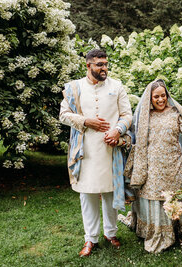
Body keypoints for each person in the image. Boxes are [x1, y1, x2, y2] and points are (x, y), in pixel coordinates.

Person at [122, 79, 182, 253]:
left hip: (174, 164)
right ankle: (156, 233)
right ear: (150, 99)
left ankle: (177, 230)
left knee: (174, 196)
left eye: (163, 95)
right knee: (155, 196)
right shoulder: (145, 116)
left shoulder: (175, 113)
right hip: (151, 165)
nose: (160, 100)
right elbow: (133, 136)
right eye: (156, 97)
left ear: (167, 96)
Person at [59, 49, 132, 257]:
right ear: (88, 66)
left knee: (111, 191)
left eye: (106, 64)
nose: (104, 68)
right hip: (85, 150)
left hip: (110, 149)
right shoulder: (75, 87)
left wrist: (117, 131)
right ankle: (90, 239)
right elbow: (63, 115)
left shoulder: (117, 86)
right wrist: (85, 121)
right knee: (87, 194)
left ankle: (110, 233)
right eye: (99, 64)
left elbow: (127, 114)